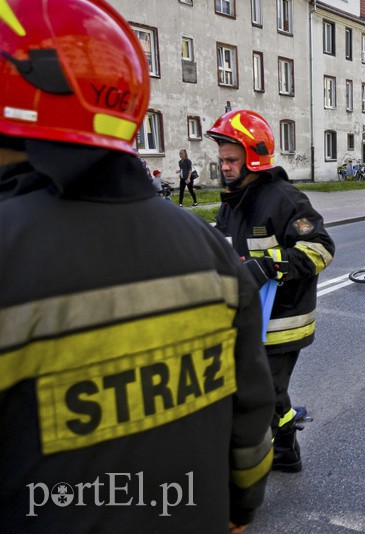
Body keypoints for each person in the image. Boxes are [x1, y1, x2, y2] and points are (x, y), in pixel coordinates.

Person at [0, 1, 275, 532]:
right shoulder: (210, 253)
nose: (226, 167)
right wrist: (239, 506)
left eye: (232, 158)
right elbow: (249, 422)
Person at [206, 109, 335, 473]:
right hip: (249, 318)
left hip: (283, 321)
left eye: (232, 160)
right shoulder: (233, 204)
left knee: (265, 394)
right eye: (222, 160)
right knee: (265, 394)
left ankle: (274, 456)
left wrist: (268, 265)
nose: (225, 167)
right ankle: (282, 448)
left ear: (253, 157)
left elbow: (321, 248)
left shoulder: (284, 199)